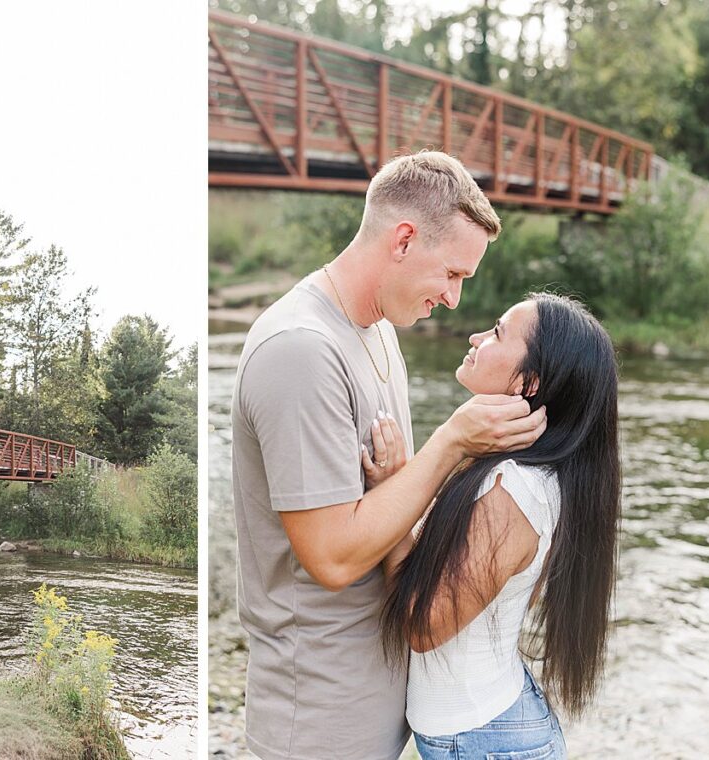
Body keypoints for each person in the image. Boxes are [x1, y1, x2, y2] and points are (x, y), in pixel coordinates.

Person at [231, 151, 547, 759]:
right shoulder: (301, 350)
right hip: (319, 720)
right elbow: (331, 556)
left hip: (377, 708)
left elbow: (384, 506)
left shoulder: (378, 329)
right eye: (452, 274)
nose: (454, 299)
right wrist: (452, 441)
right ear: (404, 240)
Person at [370, 294, 619, 759]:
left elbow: (423, 628)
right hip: (490, 727)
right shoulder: (505, 467)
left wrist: (388, 493)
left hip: (485, 740)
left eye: (498, 333)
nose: (475, 337)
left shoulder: (514, 491)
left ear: (529, 382)